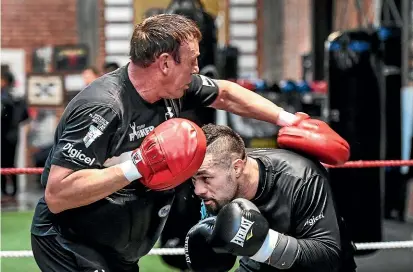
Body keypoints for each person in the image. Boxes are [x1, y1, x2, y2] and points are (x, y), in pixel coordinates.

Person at [31, 14, 349, 272]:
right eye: (193, 61)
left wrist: (287, 119)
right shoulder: (104, 107)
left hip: (116, 247)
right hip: (71, 244)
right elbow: (58, 194)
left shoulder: (173, 89)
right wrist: (137, 166)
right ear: (165, 63)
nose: (197, 69)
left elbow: (225, 92)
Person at [185, 124, 356, 272]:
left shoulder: (301, 178)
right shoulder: (220, 177)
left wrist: (264, 245)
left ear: (237, 168)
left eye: (205, 178)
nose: (198, 190)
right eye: (193, 179)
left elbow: (328, 256)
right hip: (258, 266)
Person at [1, 69, 29, 201]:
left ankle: (10, 193)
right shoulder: (12, 96)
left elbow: (23, 115)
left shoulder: (10, 97)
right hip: (9, 134)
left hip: (8, 134)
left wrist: (12, 122)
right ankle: (8, 192)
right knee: (6, 163)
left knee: (8, 163)